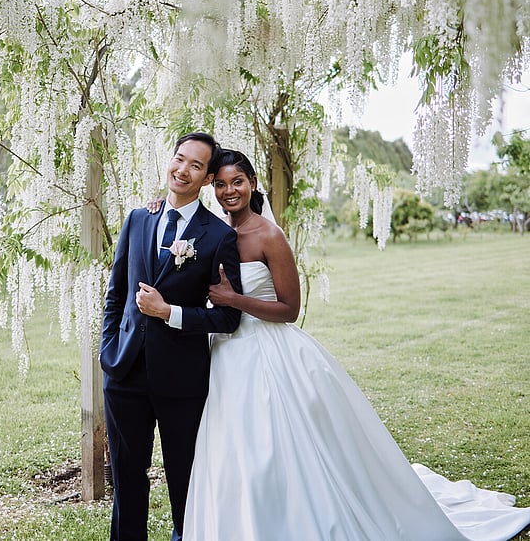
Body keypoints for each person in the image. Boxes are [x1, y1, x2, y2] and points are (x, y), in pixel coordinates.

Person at [175, 148, 529, 540]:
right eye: (221, 184)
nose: (229, 191)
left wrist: (235, 300)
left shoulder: (269, 235)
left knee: (281, 445)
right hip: (227, 354)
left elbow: (290, 309)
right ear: (211, 187)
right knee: (234, 449)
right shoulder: (212, 232)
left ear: (253, 184)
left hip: (269, 352)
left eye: (237, 182)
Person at [99, 132, 243, 541]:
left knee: (184, 478)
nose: (182, 170)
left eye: (196, 166)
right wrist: (109, 351)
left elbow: (229, 317)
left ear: (208, 178)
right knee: (127, 478)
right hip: (124, 371)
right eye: (179, 159)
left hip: (181, 378)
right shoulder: (139, 218)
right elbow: (116, 293)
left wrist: (170, 313)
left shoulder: (218, 236)